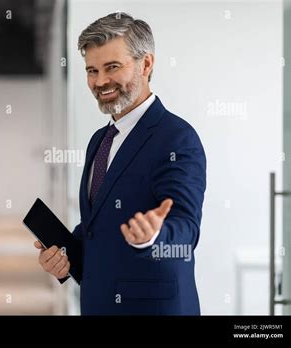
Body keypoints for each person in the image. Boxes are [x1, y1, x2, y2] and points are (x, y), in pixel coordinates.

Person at [34, 12, 206, 315]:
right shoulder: (100, 140)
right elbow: (97, 228)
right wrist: (64, 256)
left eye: (112, 67)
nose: (100, 81)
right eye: (92, 70)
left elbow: (185, 231)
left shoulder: (177, 138)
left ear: (146, 64)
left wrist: (153, 236)